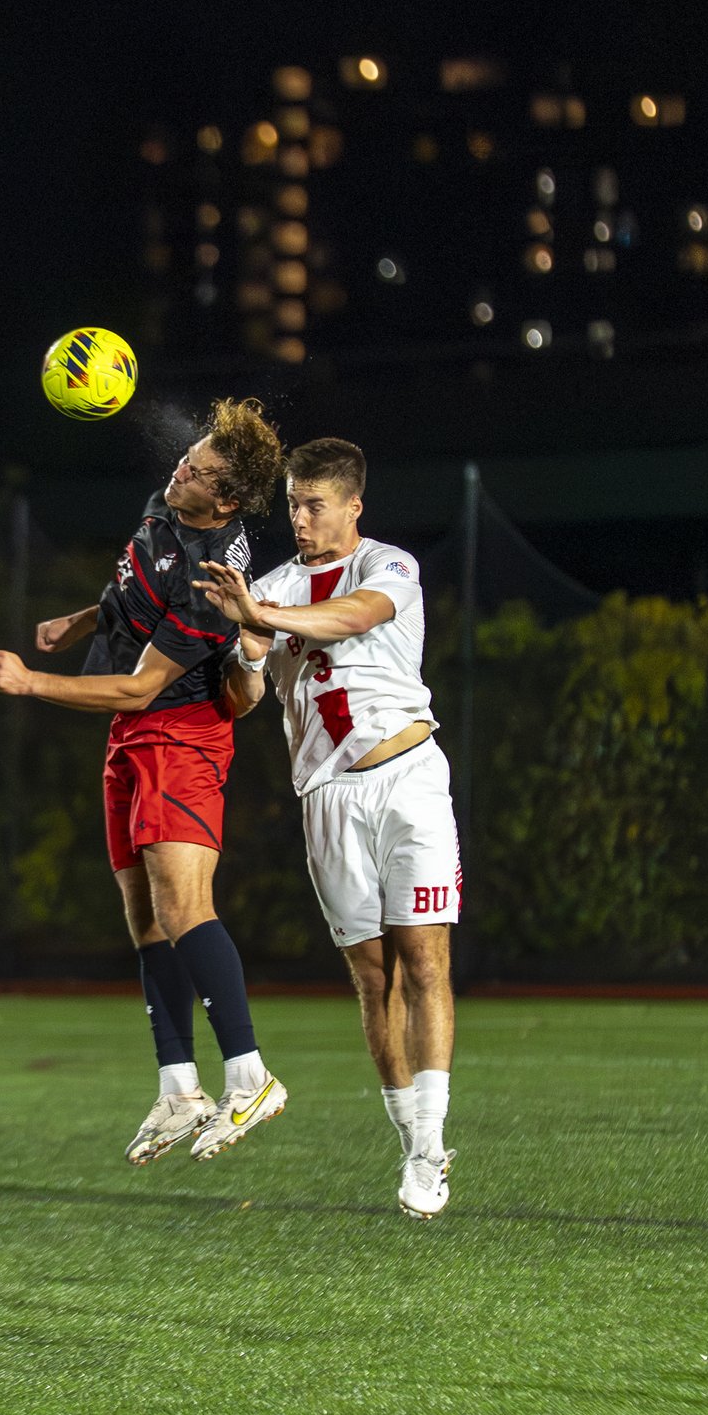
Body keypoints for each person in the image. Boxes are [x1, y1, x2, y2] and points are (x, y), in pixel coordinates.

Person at [0, 398, 290, 1166]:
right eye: (191, 455)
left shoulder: (217, 583)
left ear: (226, 501)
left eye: (201, 470)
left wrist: (33, 682)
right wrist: (81, 622)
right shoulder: (169, 502)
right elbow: (131, 592)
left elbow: (140, 688)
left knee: (186, 909)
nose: (181, 466)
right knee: (146, 918)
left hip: (180, 737)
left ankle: (249, 1076)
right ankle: (179, 1086)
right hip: (133, 740)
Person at [198, 437, 462, 1219]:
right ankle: (406, 1136)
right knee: (373, 975)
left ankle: (430, 1148)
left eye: (315, 505)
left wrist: (263, 614)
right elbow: (243, 701)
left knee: (425, 960)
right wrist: (246, 648)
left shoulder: (389, 566)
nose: (301, 519)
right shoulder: (271, 586)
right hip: (328, 798)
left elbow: (355, 617)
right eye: (293, 506)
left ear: (353, 505)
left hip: (410, 778)